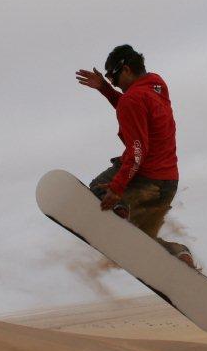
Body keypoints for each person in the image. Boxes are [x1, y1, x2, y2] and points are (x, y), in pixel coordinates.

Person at [75, 44, 196, 269]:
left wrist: (117, 189)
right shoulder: (156, 84)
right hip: (168, 184)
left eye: (113, 77)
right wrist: (105, 88)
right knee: (143, 241)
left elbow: (137, 151)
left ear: (127, 69)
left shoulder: (131, 100)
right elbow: (136, 105)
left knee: (98, 189)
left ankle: (119, 209)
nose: (114, 83)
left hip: (146, 179)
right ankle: (179, 254)